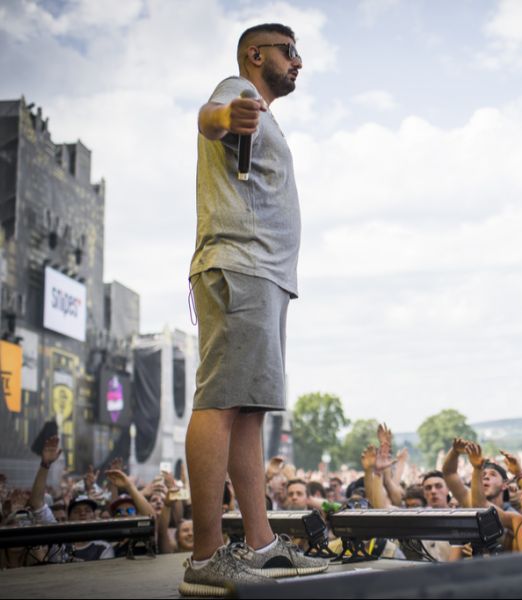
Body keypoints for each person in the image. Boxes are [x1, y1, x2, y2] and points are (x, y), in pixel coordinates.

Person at [182, 22, 327, 596]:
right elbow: (209, 117)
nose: (298, 62)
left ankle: (262, 545)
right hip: (241, 268)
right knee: (220, 401)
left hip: (259, 274)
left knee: (248, 410)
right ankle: (204, 554)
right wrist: (227, 118)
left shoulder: (263, 108)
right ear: (254, 54)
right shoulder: (236, 92)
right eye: (288, 52)